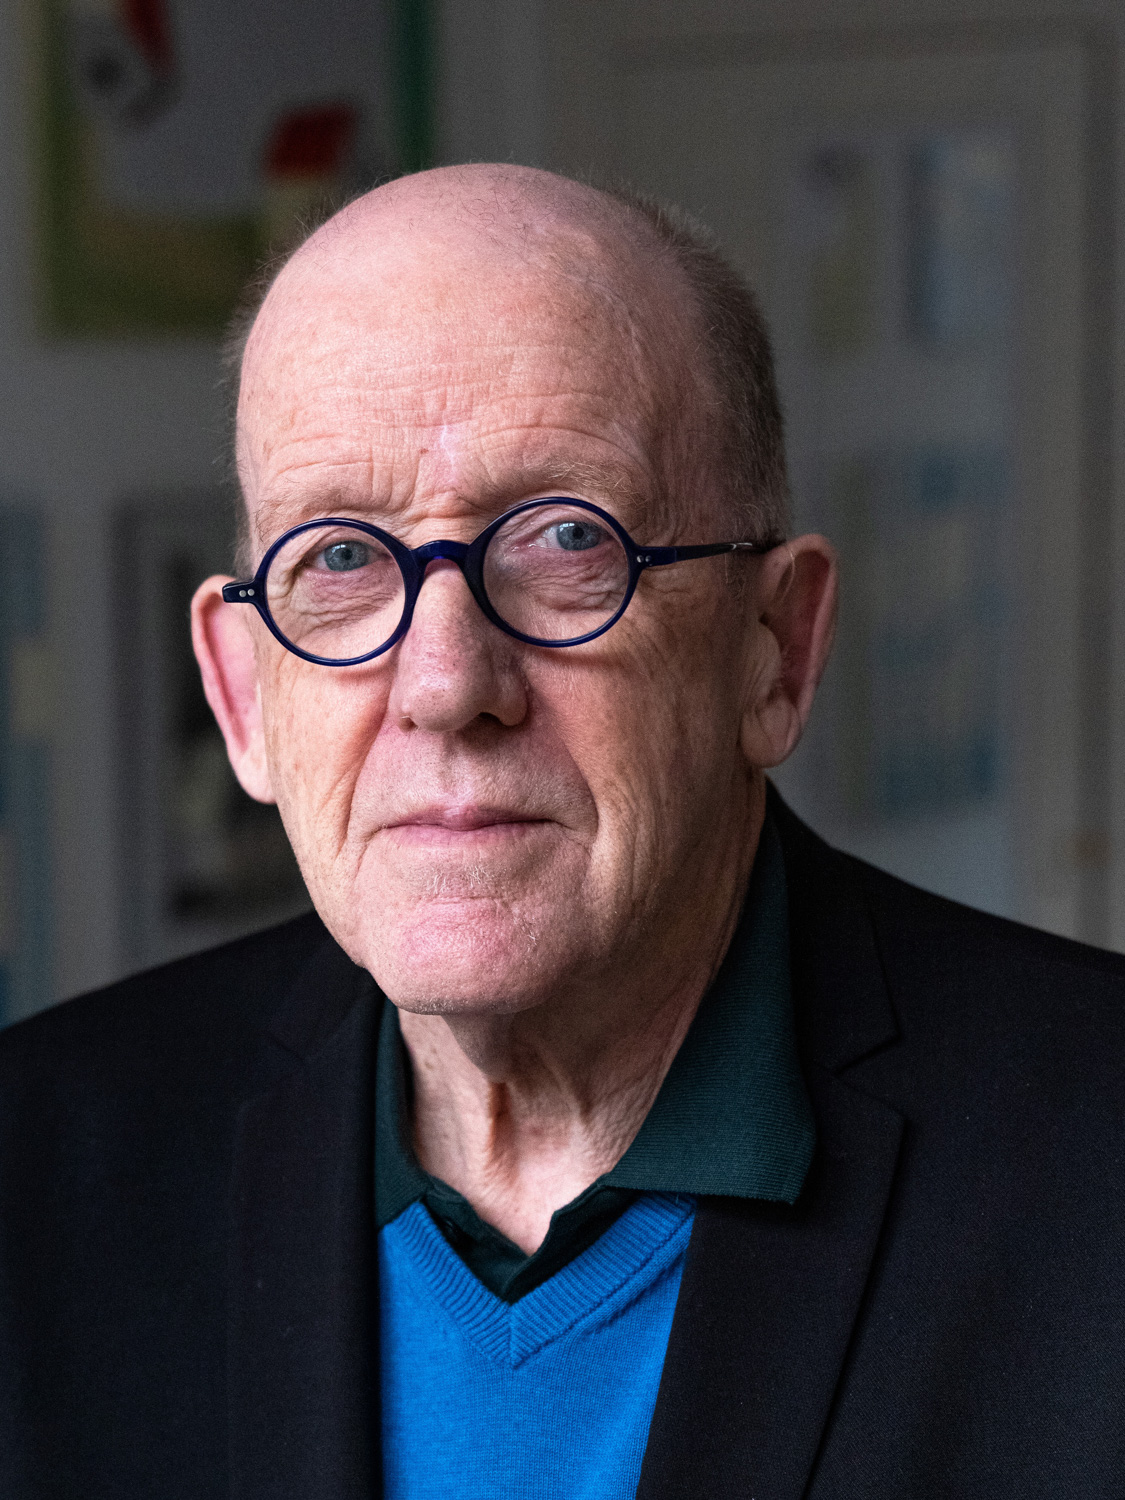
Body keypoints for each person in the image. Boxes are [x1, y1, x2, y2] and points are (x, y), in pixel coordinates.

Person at [1, 164, 1122, 1500]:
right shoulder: (39, 1168)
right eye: (341, 559)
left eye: (564, 542)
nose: (444, 685)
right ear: (242, 695)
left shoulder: (1094, 1168)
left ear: (775, 649)